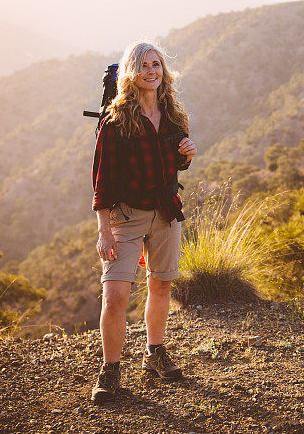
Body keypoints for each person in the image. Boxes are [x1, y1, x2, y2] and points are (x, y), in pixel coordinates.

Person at [90, 40, 197, 404]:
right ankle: (110, 370)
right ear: (131, 73)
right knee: (115, 296)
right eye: (144, 65)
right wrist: (104, 230)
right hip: (127, 217)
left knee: (161, 287)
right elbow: (101, 181)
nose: (152, 71)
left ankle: (154, 352)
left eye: (157, 64)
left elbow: (175, 164)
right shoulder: (116, 120)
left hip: (166, 213)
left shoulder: (172, 115)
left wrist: (186, 155)